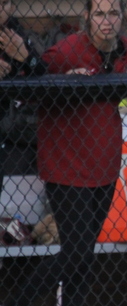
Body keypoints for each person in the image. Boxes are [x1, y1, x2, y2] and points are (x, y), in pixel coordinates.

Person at [0, 0, 127, 306]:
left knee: (84, 250)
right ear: (87, 18)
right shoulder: (66, 51)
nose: (107, 21)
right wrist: (53, 77)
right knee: (77, 249)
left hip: (105, 164)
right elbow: (31, 84)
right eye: (99, 14)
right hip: (65, 163)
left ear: (122, 17)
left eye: (113, 14)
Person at [0, 0, 47, 182]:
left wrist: (25, 57)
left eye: (4, 3)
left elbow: (43, 72)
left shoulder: (16, 33)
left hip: (9, 126)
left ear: (12, 7)